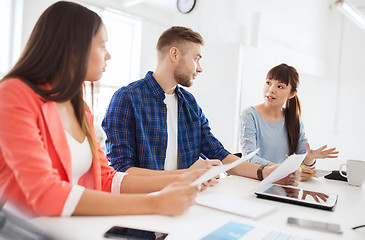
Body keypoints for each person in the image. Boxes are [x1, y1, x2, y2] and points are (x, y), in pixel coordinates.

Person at [0, 1, 207, 226]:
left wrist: (183, 177)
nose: (108, 56)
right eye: (102, 46)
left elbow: (106, 178)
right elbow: (45, 193)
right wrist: (154, 203)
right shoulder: (14, 93)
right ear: (73, 49)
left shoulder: (80, 107)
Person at [102, 26, 300, 183]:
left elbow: (218, 153)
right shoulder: (126, 99)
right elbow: (121, 171)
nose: (200, 68)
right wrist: (186, 176)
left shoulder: (188, 103)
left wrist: (265, 171)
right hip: (142, 220)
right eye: (196, 59)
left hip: (185, 208)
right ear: (174, 54)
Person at [240, 63, 339, 181]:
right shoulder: (249, 114)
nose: (271, 90)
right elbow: (249, 158)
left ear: (292, 94)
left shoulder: (294, 119)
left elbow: (304, 163)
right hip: (254, 180)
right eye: (268, 83)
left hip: (284, 183)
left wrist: (309, 158)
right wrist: (284, 170)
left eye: (280, 86)